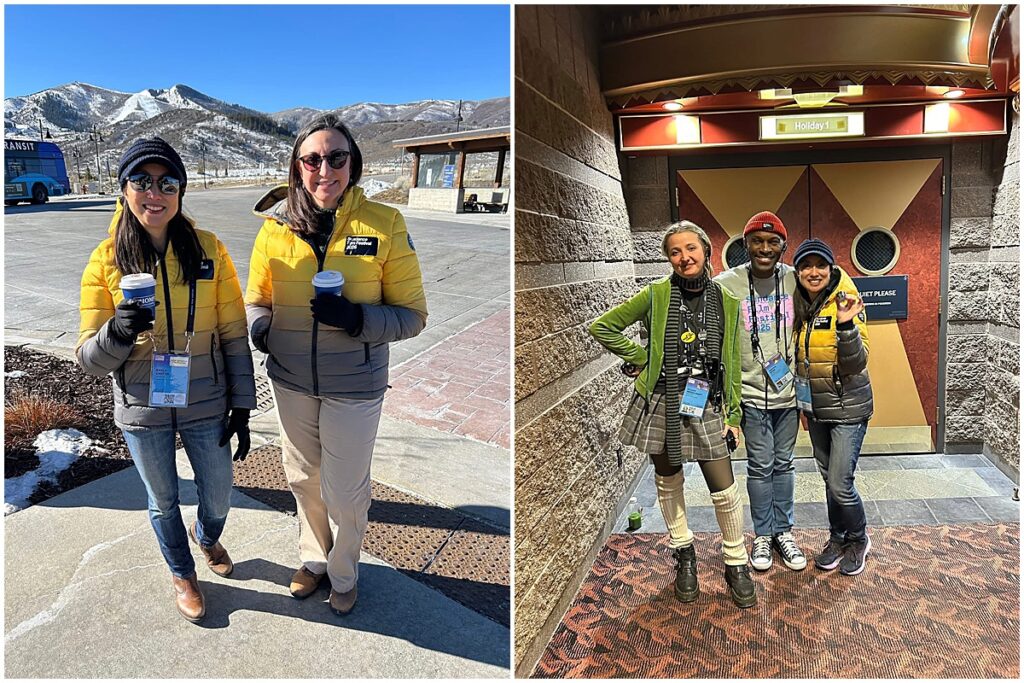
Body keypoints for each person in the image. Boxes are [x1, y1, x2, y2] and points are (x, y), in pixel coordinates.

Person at [245, 114, 428, 616]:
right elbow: (255, 301)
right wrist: (264, 331)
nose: (324, 168)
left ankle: (345, 571)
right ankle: (314, 559)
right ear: (297, 167)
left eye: (336, 157)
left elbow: (413, 315)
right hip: (291, 379)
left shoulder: (385, 224)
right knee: (303, 477)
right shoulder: (274, 229)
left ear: (353, 164)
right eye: (312, 159)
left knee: (345, 489)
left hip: (355, 381)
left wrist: (354, 318)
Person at [76, 137, 255, 622]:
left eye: (167, 181)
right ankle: (182, 572)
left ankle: (207, 537)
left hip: (206, 399)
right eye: (142, 180)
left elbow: (234, 332)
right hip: (141, 405)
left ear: (180, 192)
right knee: (163, 500)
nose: (154, 192)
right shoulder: (106, 260)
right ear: (124, 189)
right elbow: (89, 358)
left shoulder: (209, 249)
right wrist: (117, 331)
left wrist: (243, 404)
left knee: (217, 494)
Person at [590, 221, 756, 608]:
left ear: (706, 251)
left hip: (707, 401)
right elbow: (605, 326)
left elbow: (731, 361)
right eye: (675, 252)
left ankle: (735, 560)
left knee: (724, 486)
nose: (684, 258)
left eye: (690, 249)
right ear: (669, 259)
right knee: (669, 480)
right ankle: (684, 554)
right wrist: (643, 359)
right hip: (662, 401)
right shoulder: (656, 294)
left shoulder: (728, 302)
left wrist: (733, 415)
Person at [714, 211, 806, 572]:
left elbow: (834, 284)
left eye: (772, 241)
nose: (764, 248)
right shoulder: (727, 284)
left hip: (789, 393)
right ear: (745, 244)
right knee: (759, 465)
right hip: (750, 394)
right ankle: (763, 535)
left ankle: (784, 531)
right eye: (757, 241)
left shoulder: (797, 280)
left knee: (784, 464)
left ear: (783, 245)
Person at [792, 238, 872, 575]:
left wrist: (845, 324)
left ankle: (859, 538)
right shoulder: (800, 307)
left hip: (848, 408)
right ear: (797, 272)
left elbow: (857, 362)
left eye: (820, 265)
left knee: (840, 482)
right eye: (805, 266)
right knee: (829, 481)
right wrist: (802, 405)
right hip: (817, 409)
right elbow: (802, 362)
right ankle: (838, 537)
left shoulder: (846, 301)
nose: (813, 272)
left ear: (830, 268)